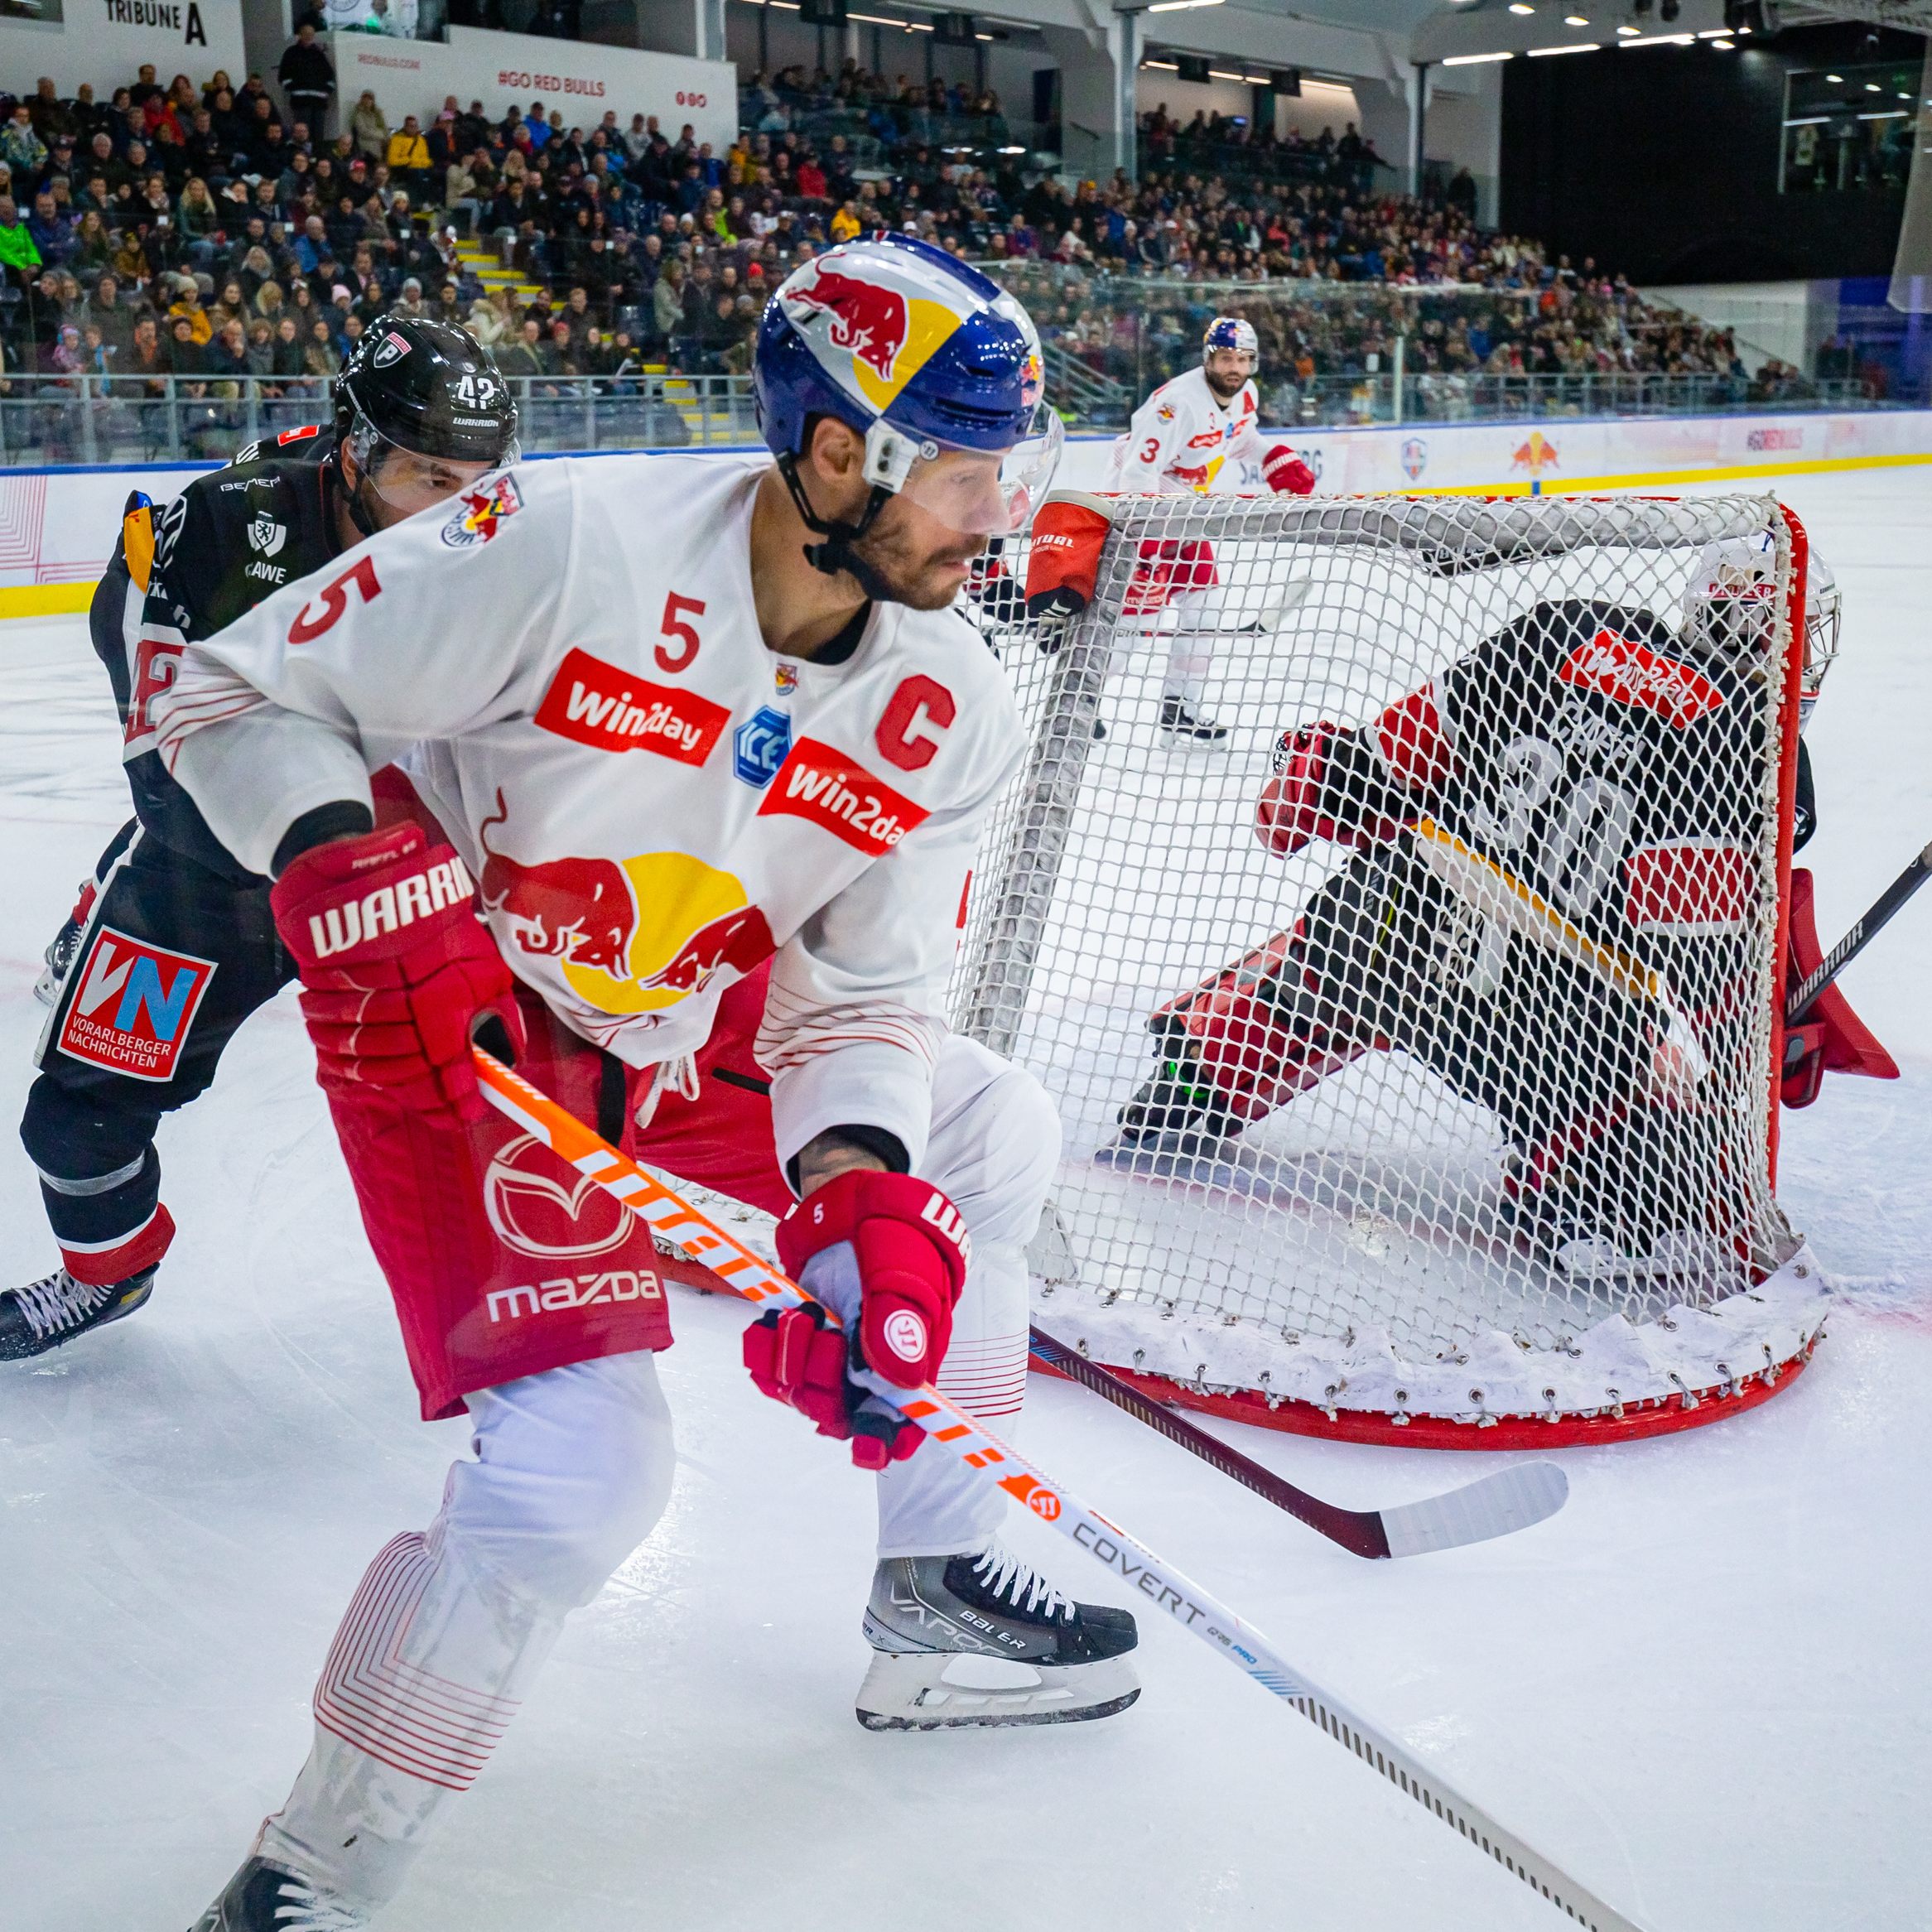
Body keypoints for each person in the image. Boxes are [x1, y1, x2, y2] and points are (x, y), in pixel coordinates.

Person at [152, 236, 1135, 1931]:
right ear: (838, 451)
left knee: (984, 1130)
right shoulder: (564, 545)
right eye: (968, 472)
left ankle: (929, 1577)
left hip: (672, 1009)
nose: (1000, 516)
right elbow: (225, 683)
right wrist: (337, 849)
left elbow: (862, 991)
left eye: (1011, 469)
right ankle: (312, 1864)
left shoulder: (951, 697)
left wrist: (854, 1199)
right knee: (581, 1474)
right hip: (451, 1010)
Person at [1079, 528, 1874, 1271]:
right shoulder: (1766, 762)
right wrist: (1767, 1050)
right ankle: (1570, 1179)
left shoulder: (1569, 627)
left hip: (1386, 927)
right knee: (1656, 1154)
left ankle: (1199, 1073)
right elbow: (1698, 960)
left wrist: (1317, 785)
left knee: (1331, 958)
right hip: (1547, 1022)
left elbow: (1389, 756)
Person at [2, 318, 517, 1361]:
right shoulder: (228, 525)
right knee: (75, 1119)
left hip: (406, 867)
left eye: (479, 476)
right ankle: (109, 1271)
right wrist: (209, 839)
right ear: (355, 450)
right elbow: (161, 724)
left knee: (499, 1096)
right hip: (218, 878)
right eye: (428, 475)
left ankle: (528, 1280)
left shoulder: (510, 533)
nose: (460, 507)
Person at [1091, 316, 1315, 741]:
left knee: (1204, 600)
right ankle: (1082, 699)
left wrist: (1273, 459)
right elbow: (1138, 472)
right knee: (1140, 616)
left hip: (1181, 505)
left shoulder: (1245, 394)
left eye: (1244, 359)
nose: (1235, 367)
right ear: (1208, 358)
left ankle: (1182, 705)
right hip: (1143, 501)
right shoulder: (1178, 403)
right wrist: (1144, 540)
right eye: (1227, 357)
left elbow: (1238, 439)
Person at [277, 21, 335, 139]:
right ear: (300, 34)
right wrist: (294, 89)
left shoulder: (319, 54)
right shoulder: (291, 53)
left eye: (311, 34)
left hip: (319, 103)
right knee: (302, 135)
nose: (309, 37)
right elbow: (283, 76)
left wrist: (327, 90)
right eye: (306, 34)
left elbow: (329, 75)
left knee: (318, 136)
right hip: (301, 102)